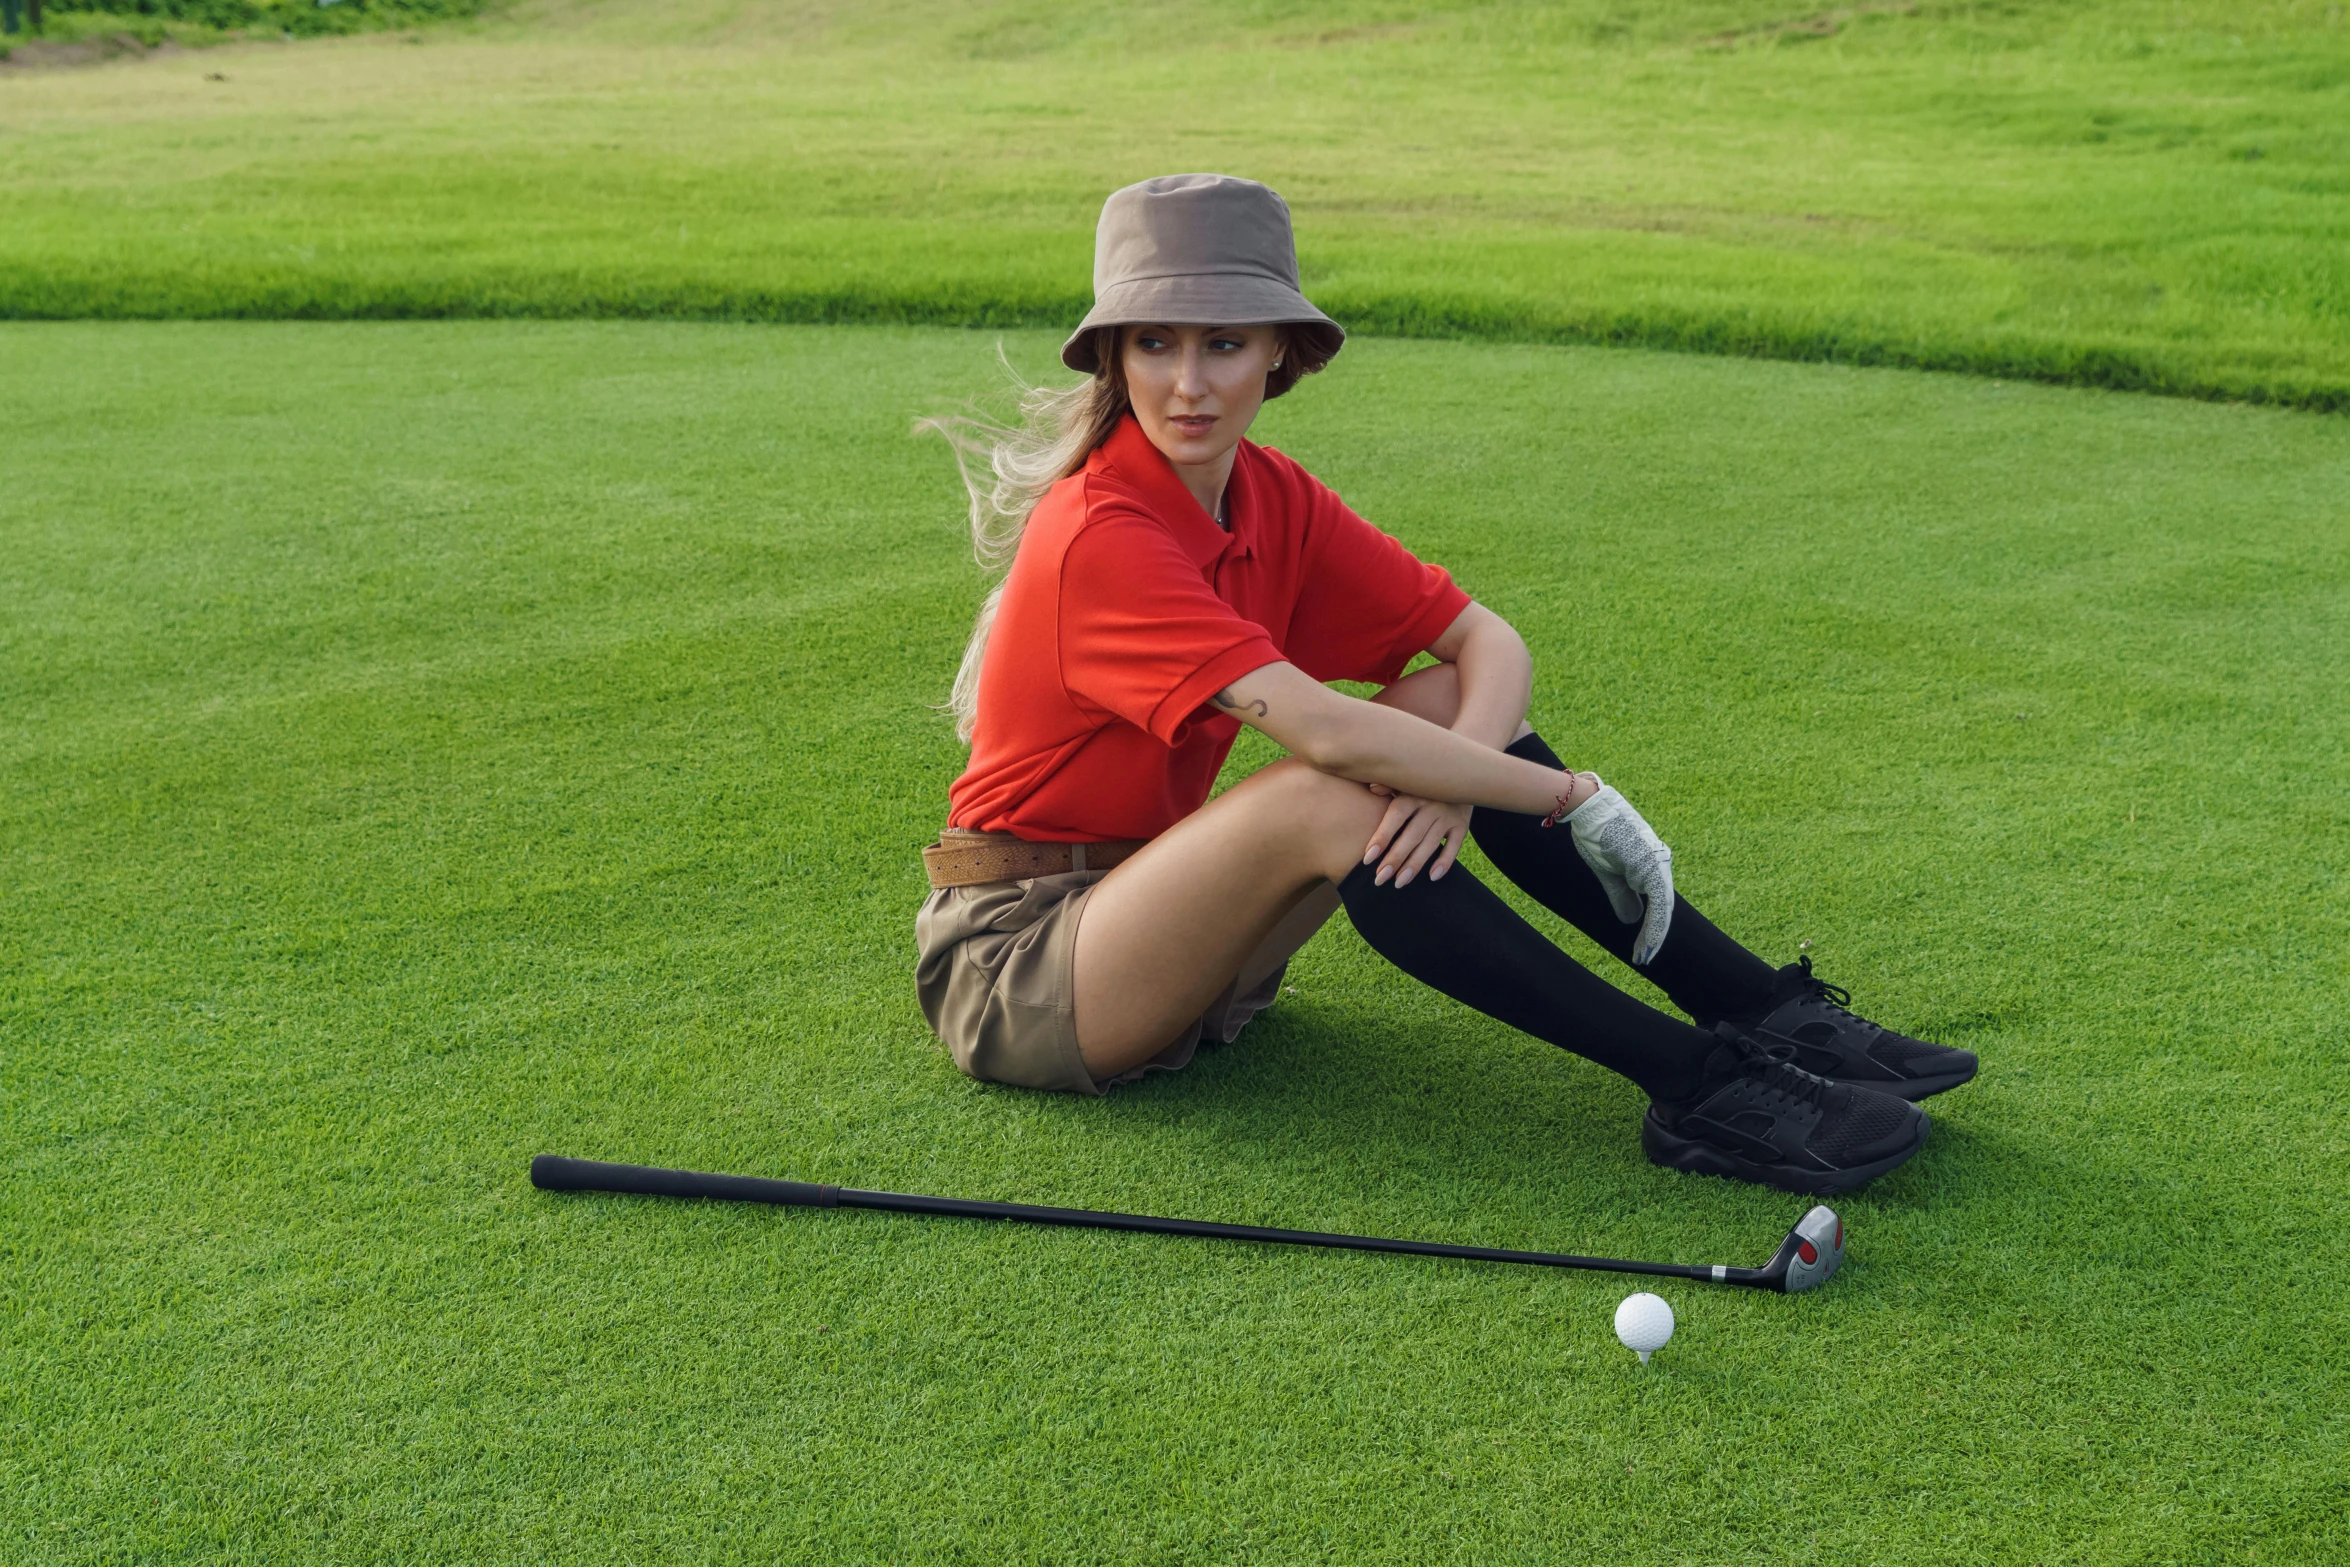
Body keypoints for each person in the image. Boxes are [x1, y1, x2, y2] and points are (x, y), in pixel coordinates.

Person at [915, 174, 1974, 1195]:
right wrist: (1567, 797)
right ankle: (1702, 1085)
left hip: (1171, 925)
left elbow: (1482, 641)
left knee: (1438, 714)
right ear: (1114, 355)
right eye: (1154, 342)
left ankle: (1750, 1007)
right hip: (1024, 968)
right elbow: (1327, 734)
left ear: (1280, 352)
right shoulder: (1101, 532)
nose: (1186, 384)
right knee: (1331, 789)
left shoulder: (1269, 495)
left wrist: (1462, 780)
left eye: (1223, 343)